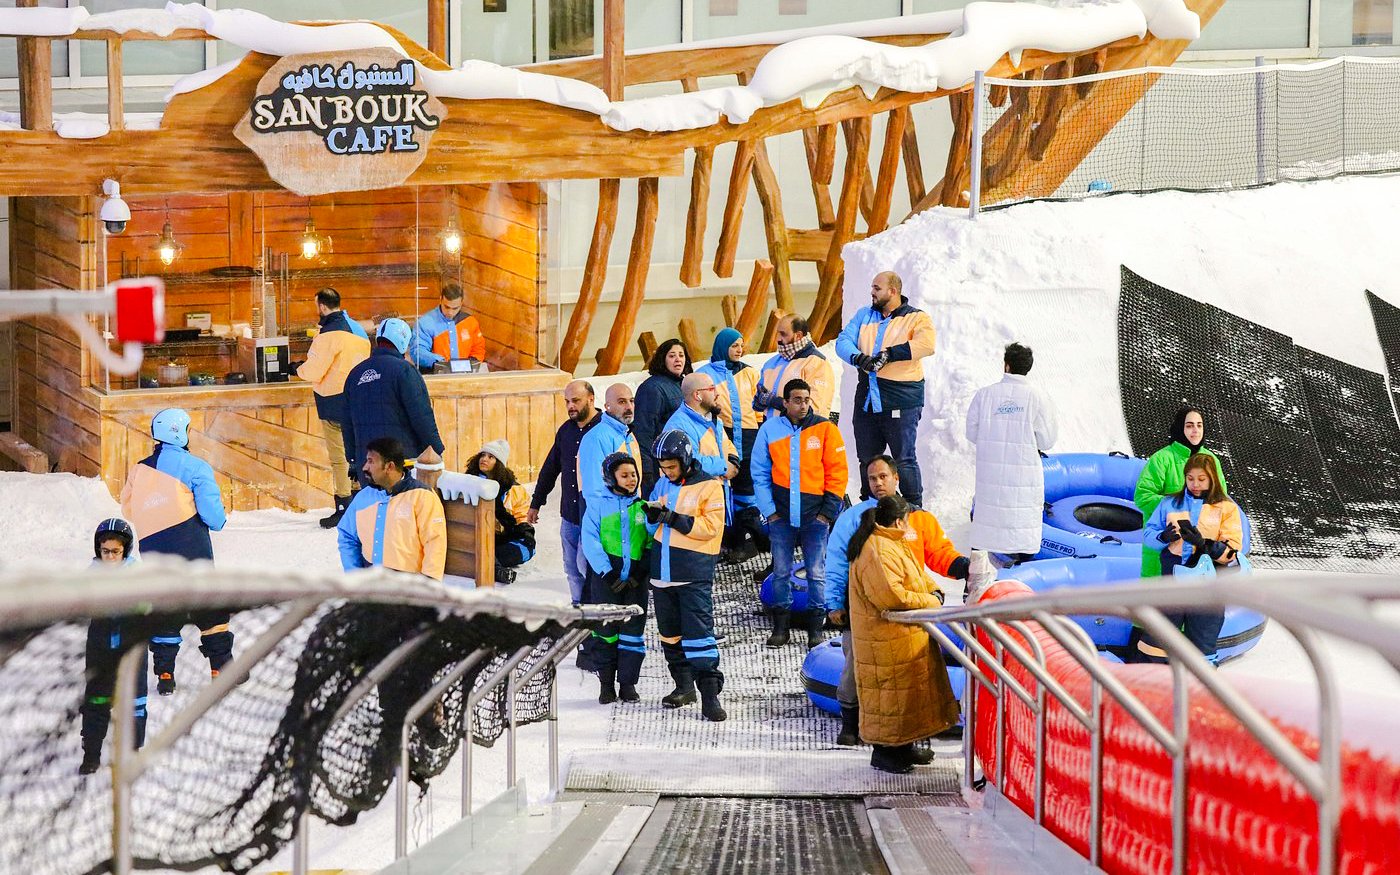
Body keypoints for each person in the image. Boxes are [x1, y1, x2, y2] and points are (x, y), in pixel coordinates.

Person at [826, 456, 976, 747]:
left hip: (908, 613)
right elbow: (836, 563)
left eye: (883, 477)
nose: (878, 483)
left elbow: (938, 553)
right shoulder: (854, 519)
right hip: (866, 610)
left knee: (905, 676)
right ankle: (851, 722)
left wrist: (962, 567)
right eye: (872, 479)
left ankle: (901, 738)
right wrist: (834, 603)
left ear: (896, 478)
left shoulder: (918, 518)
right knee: (856, 667)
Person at [846, 494, 960, 773]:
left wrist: (935, 591)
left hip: (900, 637)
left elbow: (918, 577)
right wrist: (932, 600)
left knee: (902, 698)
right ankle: (886, 752)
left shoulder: (890, 543)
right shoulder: (878, 549)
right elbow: (892, 597)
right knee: (889, 698)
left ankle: (903, 747)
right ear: (899, 521)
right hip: (886, 638)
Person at [119, 408, 229, 697]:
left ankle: (165, 673)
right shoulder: (196, 467)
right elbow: (215, 519)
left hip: (154, 546)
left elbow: (128, 508)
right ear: (180, 434)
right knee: (209, 603)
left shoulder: (138, 469)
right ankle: (221, 668)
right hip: (191, 543)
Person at [750, 379, 847, 649]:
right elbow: (759, 472)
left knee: (816, 573)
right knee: (781, 572)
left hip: (815, 517)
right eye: (797, 400)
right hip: (781, 517)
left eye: (806, 399)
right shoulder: (770, 429)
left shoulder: (825, 429)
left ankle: (816, 627)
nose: (803, 405)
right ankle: (781, 627)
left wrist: (827, 514)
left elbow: (837, 473)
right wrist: (770, 511)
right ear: (785, 402)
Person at [835, 271, 936, 507]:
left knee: (904, 459)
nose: (872, 292)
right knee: (867, 459)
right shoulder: (864, 315)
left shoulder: (916, 318)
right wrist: (859, 358)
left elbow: (927, 345)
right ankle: (871, 507)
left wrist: (889, 355)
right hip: (868, 399)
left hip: (901, 399)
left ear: (893, 291)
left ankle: (914, 509)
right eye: (872, 287)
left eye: (877, 288)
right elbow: (843, 341)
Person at [646, 430, 727, 722]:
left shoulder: (710, 486)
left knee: (699, 637)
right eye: (662, 467)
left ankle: (710, 696)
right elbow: (650, 524)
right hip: (662, 573)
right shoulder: (661, 485)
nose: (666, 472)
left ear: (685, 460)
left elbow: (711, 528)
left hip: (692, 573)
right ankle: (683, 687)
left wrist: (674, 519)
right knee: (670, 635)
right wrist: (651, 517)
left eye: (671, 466)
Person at [1134, 453, 1245, 662]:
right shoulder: (1169, 503)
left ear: (1212, 479)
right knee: (1157, 639)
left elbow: (1233, 550)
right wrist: (1162, 536)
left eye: (1201, 479)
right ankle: (1150, 683)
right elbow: (1149, 534)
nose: (1195, 484)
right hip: (1173, 580)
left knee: (1203, 643)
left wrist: (1203, 544)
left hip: (1208, 585)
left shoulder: (1226, 508)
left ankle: (1201, 688)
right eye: (1190, 478)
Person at [965, 342, 1058, 557]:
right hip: (1024, 477)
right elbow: (1047, 440)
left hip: (991, 476)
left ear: (1006, 365)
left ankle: (974, 583)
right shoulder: (1038, 397)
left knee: (984, 535)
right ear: (1029, 367)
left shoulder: (984, 395)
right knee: (1023, 533)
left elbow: (971, 432)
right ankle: (1024, 583)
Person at [297, 287, 372, 529]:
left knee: (339, 458)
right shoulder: (358, 332)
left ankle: (343, 506)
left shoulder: (326, 336)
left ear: (321, 306)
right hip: (358, 401)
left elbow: (313, 370)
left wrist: (296, 368)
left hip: (333, 404)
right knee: (356, 453)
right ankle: (361, 500)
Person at [580, 453, 651, 705]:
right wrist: (606, 572)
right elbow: (590, 540)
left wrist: (642, 571)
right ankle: (606, 684)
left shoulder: (643, 506)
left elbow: (651, 539)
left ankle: (628, 684)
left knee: (632, 633)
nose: (631, 479)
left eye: (633, 475)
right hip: (606, 579)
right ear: (611, 478)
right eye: (624, 475)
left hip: (635, 581)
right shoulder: (597, 506)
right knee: (606, 632)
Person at [79, 518, 148, 775]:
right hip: (100, 645)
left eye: (115, 552)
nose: (109, 556)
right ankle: (91, 755)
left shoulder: (138, 575)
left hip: (132, 646)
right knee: (97, 699)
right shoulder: (92, 575)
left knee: (134, 702)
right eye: (105, 551)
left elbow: (148, 607)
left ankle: (132, 753)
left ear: (125, 550)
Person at [342, 318, 445, 481]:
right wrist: (436, 449)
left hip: (368, 465)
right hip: (401, 463)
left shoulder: (355, 374)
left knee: (374, 506)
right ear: (403, 343)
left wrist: (353, 460)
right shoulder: (405, 371)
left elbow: (347, 423)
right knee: (402, 506)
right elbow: (421, 416)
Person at [697, 328, 767, 562]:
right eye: (734, 345)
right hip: (721, 437)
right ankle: (726, 540)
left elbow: (760, 407)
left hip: (749, 437)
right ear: (722, 346)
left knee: (747, 492)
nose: (739, 350)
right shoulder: (706, 375)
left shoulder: (750, 373)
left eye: (741, 345)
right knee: (723, 491)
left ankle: (749, 540)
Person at [1133, 406, 1227, 577]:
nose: (1195, 430)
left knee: (1194, 598)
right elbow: (1143, 496)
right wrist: (1178, 507)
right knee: (1159, 596)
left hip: (1200, 543)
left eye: (1199, 425)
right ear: (1180, 428)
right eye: (1189, 425)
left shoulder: (1211, 460)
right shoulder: (1162, 459)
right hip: (1166, 541)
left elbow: (1220, 499)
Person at [337, 436, 447, 580]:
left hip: (410, 588)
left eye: (371, 461)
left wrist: (428, 585)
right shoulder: (363, 497)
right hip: (370, 586)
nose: (364, 467)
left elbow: (434, 542)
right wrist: (355, 576)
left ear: (389, 466)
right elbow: (347, 536)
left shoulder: (422, 496)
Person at [529, 380, 600, 603]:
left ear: (591, 399)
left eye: (576, 401)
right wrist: (536, 502)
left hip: (594, 514)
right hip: (569, 513)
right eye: (567, 401)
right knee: (572, 568)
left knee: (587, 565)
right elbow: (551, 468)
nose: (571, 406)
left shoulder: (604, 429)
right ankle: (578, 608)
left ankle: (593, 612)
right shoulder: (566, 430)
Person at [465, 440, 535, 585]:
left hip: (504, 538)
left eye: (491, 457)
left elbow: (522, 516)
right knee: (477, 552)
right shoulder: (468, 482)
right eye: (482, 455)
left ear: (499, 463)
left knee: (526, 549)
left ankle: (492, 565)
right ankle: (497, 571)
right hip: (475, 535)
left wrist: (526, 531)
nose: (484, 459)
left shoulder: (514, 489)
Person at [633, 339, 692, 494]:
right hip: (660, 466)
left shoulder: (684, 385)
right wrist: (648, 471)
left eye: (681, 355)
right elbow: (643, 432)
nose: (678, 359)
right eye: (672, 356)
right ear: (662, 359)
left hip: (681, 464)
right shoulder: (652, 388)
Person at [754, 314, 835, 419]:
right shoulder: (771, 363)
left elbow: (814, 410)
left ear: (798, 336)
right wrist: (758, 401)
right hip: (770, 431)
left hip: (799, 433)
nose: (778, 339)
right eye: (778, 333)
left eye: (783, 334)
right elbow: (757, 402)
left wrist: (775, 402)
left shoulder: (817, 364)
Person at [578, 383, 644, 502]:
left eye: (631, 401)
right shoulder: (596, 438)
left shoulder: (629, 434)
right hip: (610, 516)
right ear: (607, 406)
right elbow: (594, 489)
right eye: (622, 402)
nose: (629, 407)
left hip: (630, 511)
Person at [411, 282, 485, 373]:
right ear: (440, 299)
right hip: (434, 375)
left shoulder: (470, 322)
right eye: (447, 307)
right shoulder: (425, 323)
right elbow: (417, 352)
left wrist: (469, 365)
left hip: (465, 376)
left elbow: (478, 349)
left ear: (461, 303)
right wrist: (442, 362)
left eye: (455, 308)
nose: (450, 312)